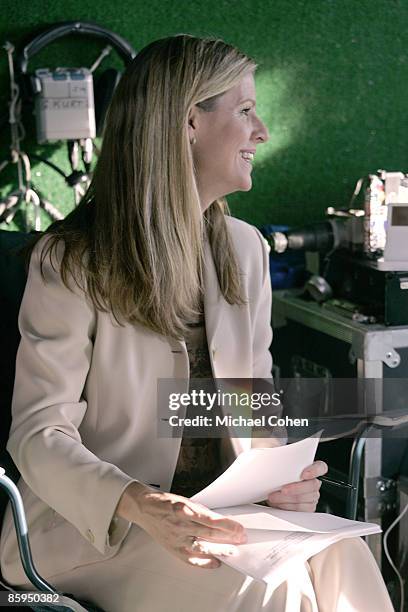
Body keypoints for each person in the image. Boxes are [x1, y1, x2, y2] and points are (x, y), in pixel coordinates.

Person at [0, 35, 394, 612]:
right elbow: (38, 434)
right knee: (276, 588)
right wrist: (139, 502)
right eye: (244, 111)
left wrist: (280, 483)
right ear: (188, 122)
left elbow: (250, 407)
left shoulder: (245, 249)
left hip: (221, 516)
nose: (261, 131)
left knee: (343, 555)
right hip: (90, 530)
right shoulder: (70, 262)